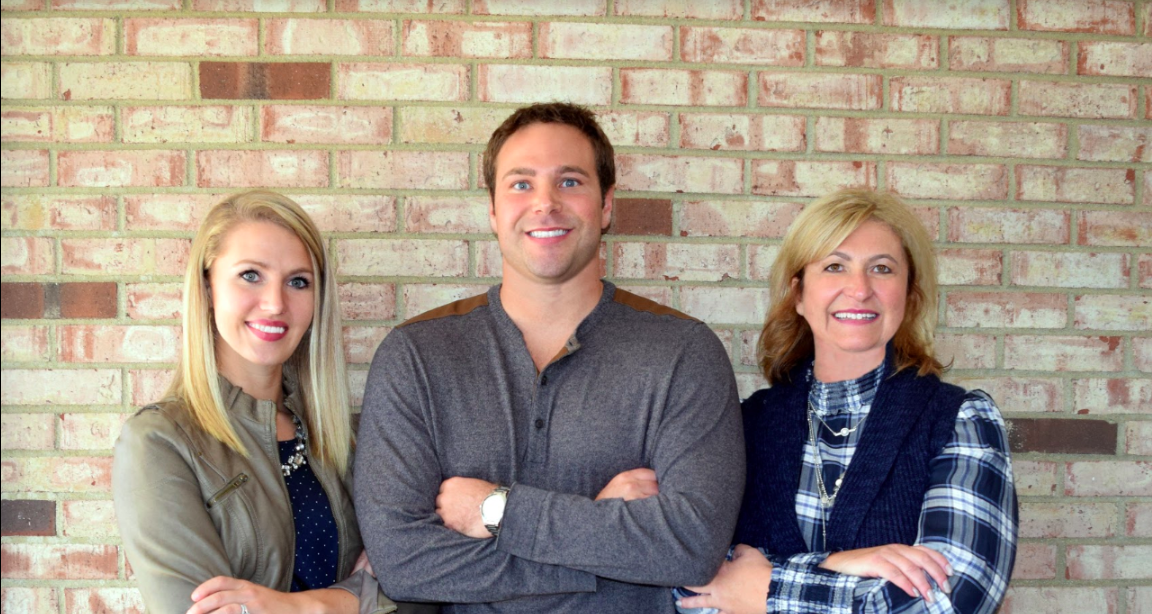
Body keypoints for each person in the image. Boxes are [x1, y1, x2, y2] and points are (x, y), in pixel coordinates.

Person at [353, 102, 745, 613]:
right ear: (493, 210)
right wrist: (603, 537)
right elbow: (404, 564)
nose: (545, 203)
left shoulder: (684, 353)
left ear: (606, 205)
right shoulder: (416, 356)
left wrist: (497, 511)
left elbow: (691, 546)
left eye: (569, 182)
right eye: (521, 184)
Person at [676, 188, 1018, 614]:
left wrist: (768, 589)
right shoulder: (742, 424)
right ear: (798, 294)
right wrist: (835, 564)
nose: (859, 289)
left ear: (909, 295)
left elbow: (951, 601)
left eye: (882, 268)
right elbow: (685, 581)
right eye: (834, 266)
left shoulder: (960, 420)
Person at [113, 191, 411, 614]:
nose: (275, 303)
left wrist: (306, 606)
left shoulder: (347, 438)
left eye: (298, 281)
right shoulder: (160, 443)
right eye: (250, 275)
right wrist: (356, 595)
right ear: (208, 287)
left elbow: (425, 583)